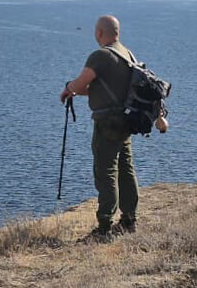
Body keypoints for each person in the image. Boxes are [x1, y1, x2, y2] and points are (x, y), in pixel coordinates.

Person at [60, 15, 141, 239]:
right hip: (125, 121)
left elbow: (81, 82)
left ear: (99, 33)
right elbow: (100, 88)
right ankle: (129, 220)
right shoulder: (127, 53)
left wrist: (69, 87)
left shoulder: (100, 56)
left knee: (105, 172)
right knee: (126, 169)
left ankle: (105, 225)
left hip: (107, 123)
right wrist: (79, 90)